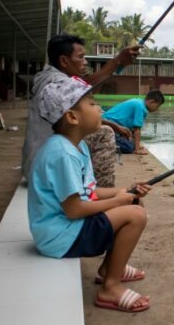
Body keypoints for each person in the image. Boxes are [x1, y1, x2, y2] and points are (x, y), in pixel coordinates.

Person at [29, 77, 152, 312]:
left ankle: (110, 268)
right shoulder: (63, 154)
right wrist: (117, 201)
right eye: (93, 104)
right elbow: (74, 209)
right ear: (72, 117)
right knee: (135, 215)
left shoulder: (77, 146)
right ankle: (110, 288)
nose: (101, 110)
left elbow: (88, 192)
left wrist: (123, 191)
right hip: (59, 237)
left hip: (64, 228)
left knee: (134, 200)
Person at [21, 34, 140, 187]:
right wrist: (117, 62)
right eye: (81, 57)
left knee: (103, 129)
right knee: (104, 133)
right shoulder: (55, 82)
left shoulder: (48, 78)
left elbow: (81, 93)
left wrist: (114, 124)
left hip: (38, 164)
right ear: (64, 60)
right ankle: (102, 191)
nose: (85, 62)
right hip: (44, 171)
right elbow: (81, 89)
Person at [102, 89, 165, 155]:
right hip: (108, 126)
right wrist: (137, 149)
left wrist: (136, 145)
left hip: (112, 126)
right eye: (157, 106)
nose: (157, 109)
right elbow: (137, 130)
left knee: (131, 144)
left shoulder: (140, 103)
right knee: (129, 147)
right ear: (152, 102)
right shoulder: (140, 107)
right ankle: (104, 145)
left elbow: (133, 129)